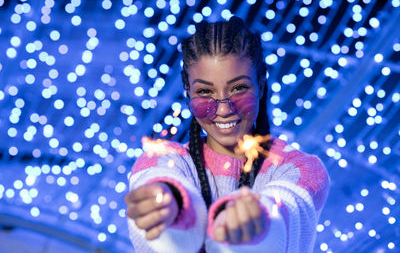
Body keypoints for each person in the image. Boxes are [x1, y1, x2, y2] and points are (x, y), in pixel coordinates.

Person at [124, 16, 330, 252]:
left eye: (239, 88)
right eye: (205, 91)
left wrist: (260, 222)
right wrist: (170, 207)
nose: (223, 109)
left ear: (261, 86)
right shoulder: (165, 159)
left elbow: (288, 207)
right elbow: (155, 175)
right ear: (188, 92)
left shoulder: (302, 169)